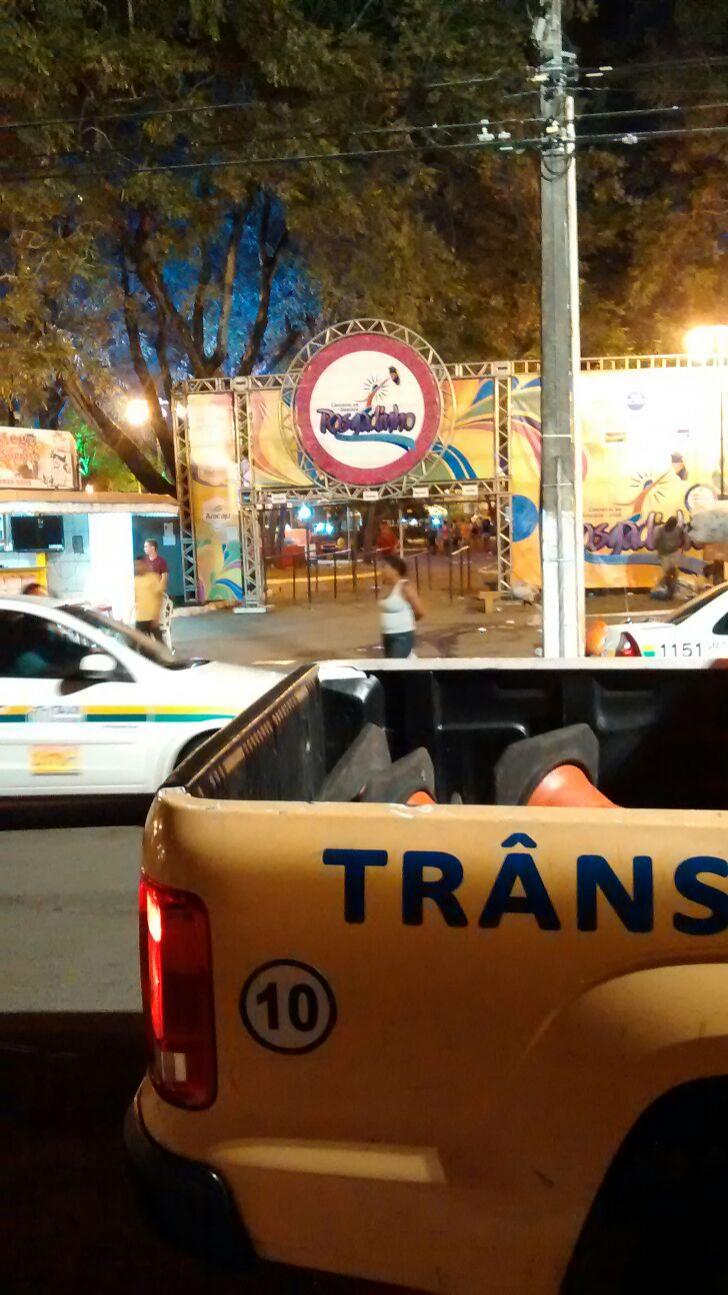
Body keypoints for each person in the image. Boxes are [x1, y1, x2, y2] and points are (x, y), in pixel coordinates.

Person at [379, 554, 424, 658]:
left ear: (395, 570)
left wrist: (406, 621)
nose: (382, 571)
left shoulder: (405, 587)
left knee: (396, 665)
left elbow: (420, 611)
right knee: (392, 664)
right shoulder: (388, 587)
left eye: (384, 567)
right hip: (387, 635)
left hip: (402, 635)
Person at [134, 556, 164, 640]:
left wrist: (156, 617)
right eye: (136, 565)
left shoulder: (153, 578)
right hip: (140, 618)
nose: (137, 567)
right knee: (138, 642)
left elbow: (159, 598)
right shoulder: (136, 580)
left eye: (139, 565)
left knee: (159, 643)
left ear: (145, 565)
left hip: (152, 617)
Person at [655, 515, 685, 598]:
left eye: (673, 524)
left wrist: (682, 546)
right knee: (667, 573)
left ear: (674, 525)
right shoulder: (661, 530)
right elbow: (657, 541)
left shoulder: (678, 530)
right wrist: (659, 551)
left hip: (674, 552)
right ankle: (669, 589)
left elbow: (683, 537)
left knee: (674, 572)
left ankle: (672, 589)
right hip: (664, 554)